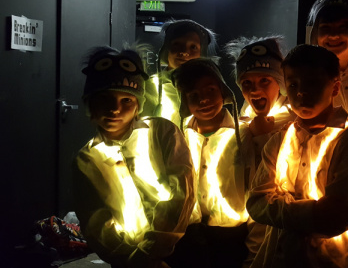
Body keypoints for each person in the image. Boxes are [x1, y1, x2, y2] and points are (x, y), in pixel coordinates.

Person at [246, 44, 348, 268]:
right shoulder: (279, 140)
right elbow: (256, 204)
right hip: (278, 257)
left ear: (335, 88)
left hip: (329, 260)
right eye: (293, 85)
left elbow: (336, 218)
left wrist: (281, 207)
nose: (301, 93)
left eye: (312, 83)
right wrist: (312, 212)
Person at [73, 47, 195, 268]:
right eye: (104, 99)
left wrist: (153, 249)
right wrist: (132, 258)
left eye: (126, 100)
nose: (114, 109)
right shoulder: (86, 159)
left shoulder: (162, 132)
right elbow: (94, 220)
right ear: (90, 103)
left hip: (180, 245)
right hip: (128, 258)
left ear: (138, 104)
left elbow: (182, 191)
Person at [167, 58, 248, 268]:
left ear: (223, 91)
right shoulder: (179, 136)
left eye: (210, 90)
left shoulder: (244, 136)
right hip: (190, 231)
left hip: (231, 233)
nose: (204, 100)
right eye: (194, 95)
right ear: (185, 101)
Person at [224, 36, 296, 266]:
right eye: (247, 83)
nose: (255, 90)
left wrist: (264, 136)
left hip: (278, 222)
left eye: (265, 80)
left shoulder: (294, 121)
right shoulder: (242, 122)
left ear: (281, 83)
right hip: (247, 222)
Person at [143, 19, 216, 127]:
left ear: (202, 54)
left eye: (193, 47)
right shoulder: (150, 87)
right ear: (166, 49)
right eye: (177, 44)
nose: (184, 52)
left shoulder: (210, 88)